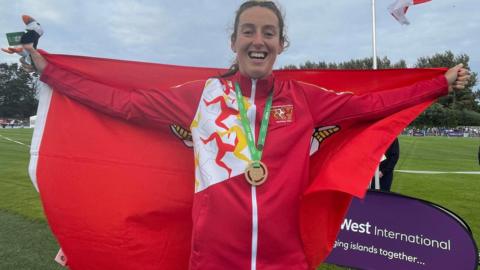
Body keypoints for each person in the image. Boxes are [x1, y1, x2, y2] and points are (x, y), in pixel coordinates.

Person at [19, 1, 470, 269]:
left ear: (281, 44)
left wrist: (439, 83)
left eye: (269, 33)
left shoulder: (303, 98)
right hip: (214, 259)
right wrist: (50, 70)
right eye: (249, 31)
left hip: (285, 259)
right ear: (233, 40)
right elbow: (122, 104)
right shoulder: (202, 96)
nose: (259, 39)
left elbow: (370, 104)